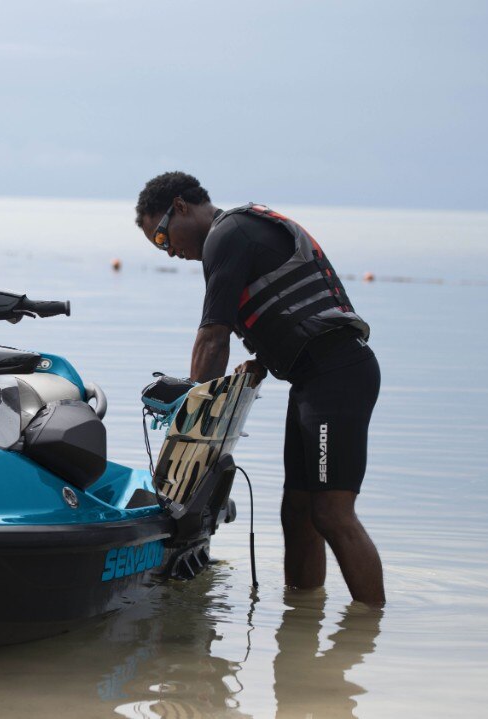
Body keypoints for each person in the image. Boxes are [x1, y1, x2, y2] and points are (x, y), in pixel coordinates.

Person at [134, 171, 386, 605]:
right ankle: (302, 620)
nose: (170, 252)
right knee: (298, 512)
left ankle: (371, 625)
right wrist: (263, 360)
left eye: (162, 238)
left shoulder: (228, 233)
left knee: (331, 513)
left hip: (338, 378)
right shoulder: (234, 234)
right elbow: (289, 315)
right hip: (315, 381)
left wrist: (195, 410)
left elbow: (213, 335)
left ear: (181, 208)